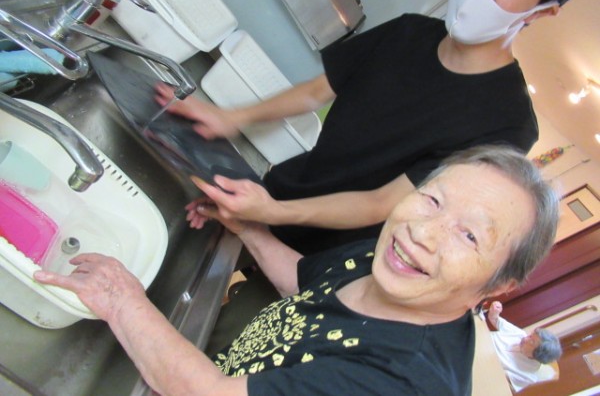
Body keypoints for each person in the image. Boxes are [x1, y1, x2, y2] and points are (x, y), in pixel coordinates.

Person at [158, 0, 600, 255]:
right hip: (283, 190)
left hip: (326, 257)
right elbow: (317, 90)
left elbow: (382, 203)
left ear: (543, 11)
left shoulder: (508, 125)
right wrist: (231, 118)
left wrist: (272, 213)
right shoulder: (409, 31)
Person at [34, 145, 560, 396]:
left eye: (470, 236)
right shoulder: (393, 258)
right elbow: (311, 286)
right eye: (432, 199)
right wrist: (250, 230)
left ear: (498, 285)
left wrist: (122, 299)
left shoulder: (400, 383)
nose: (424, 232)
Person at [484, 300, 562, 392]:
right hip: (477, 340)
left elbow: (497, 382)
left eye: (531, 342)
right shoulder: (520, 334)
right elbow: (494, 318)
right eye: (530, 336)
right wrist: (495, 310)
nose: (525, 339)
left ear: (536, 355)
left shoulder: (527, 375)